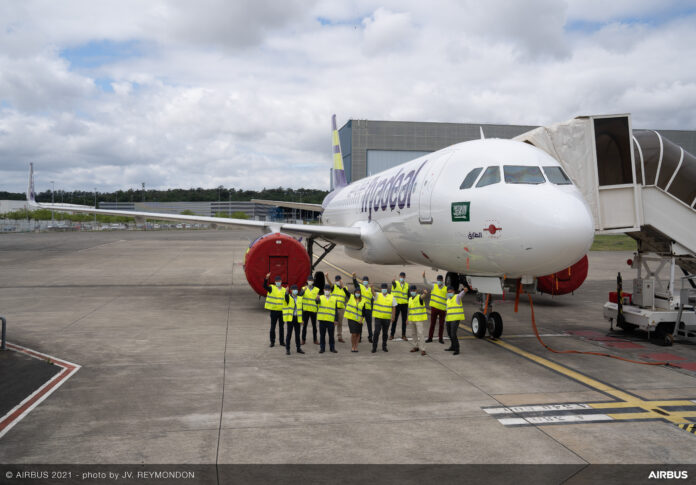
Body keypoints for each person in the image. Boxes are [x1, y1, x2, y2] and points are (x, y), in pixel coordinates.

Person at [423, 271, 447, 344]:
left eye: (440, 280)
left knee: (441, 325)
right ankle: (430, 338)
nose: (439, 281)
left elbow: (449, 299)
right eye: (438, 280)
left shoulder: (446, 289)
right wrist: (424, 277)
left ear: (442, 281)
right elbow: (426, 283)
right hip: (434, 309)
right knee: (432, 324)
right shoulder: (434, 286)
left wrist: (447, 309)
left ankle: (440, 338)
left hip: (442, 309)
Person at [372, 283, 397, 353]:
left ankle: (384, 346)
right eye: (383, 288)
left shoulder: (391, 297)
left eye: (385, 288)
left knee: (385, 333)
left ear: (387, 289)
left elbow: (394, 307)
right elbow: (373, 293)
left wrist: (393, 316)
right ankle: (374, 347)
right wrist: (372, 288)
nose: (384, 289)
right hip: (378, 317)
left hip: (386, 318)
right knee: (376, 332)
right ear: (381, 289)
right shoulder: (377, 295)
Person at [444, 286, 469, 356]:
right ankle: (452, 346)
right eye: (448, 292)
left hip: (455, 319)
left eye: (451, 292)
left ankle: (457, 349)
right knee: (449, 334)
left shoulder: (457, 297)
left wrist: (464, 291)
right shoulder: (448, 300)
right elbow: (447, 310)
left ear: (453, 291)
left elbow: (461, 294)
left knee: (453, 334)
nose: (449, 293)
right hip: (449, 319)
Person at [263, 273, 285, 347]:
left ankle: (281, 342)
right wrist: (266, 278)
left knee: (281, 327)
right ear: (275, 282)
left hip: (282, 312)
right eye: (277, 281)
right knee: (273, 327)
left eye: (279, 281)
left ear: (281, 281)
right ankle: (272, 342)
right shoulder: (272, 288)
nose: (278, 282)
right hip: (274, 312)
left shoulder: (284, 290)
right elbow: (264, 286)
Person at [283, 285, 305, 355]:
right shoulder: (288, 297)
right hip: (290, 318)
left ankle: (298, 348)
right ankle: (287, 349)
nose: (296, 291)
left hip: (297, 318)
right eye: (294, 289)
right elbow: (286, 297)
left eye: (296, 289)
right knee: (289, 335)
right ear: (291, 290)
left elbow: (302, 309)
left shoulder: (299, 298)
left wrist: (302, 319)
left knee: (297, 335)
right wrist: (286, 291)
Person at [316, 284, 338, 353]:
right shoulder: (320, 297)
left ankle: (332, 348)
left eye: (328, 290)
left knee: (331, 336)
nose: (327, 291)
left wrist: (336, 319)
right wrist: (316, 298)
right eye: (326, 290)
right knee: (322, 335)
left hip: (330, 320)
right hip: (322, 320)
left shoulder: (334, 299)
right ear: (323, 290)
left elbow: (335, 310)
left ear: (330, 291)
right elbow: (317, 302)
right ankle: (322, 348)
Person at [352, 272, 373, 343]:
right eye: (364, 280)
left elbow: (373, 299)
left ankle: (370, 337)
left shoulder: (370, 289)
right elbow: (355, 285)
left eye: (366, 281)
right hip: (361, 309)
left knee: (369, 324)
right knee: (360, 324)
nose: (365, 282)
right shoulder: (360, 287)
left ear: (368, 281)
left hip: (368, 309)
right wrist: (354, 278)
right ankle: (359, 337)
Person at [407, 286, 428, 355]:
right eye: (411, 290)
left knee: (421, 334)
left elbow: (422, 297)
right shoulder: (410, 299)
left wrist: (424, 293)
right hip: (412, 319)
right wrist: (407, 319)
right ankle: (415, 346)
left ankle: (423, 349)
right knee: (413, 334)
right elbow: (409, 310)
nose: (412, 291)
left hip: (419, 319)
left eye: (413, 290)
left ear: (416, 291)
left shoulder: (419, 297)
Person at [327, 273, 347, 343]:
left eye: (339, 280)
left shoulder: (345, 288)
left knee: (340, 323)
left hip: (341, 308)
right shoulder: (333, 287)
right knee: (333, 323)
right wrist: (327, 277)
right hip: (334, 309)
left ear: (341, 280)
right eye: (336, 280)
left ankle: (339, 336)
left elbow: (347, 294)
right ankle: (331, 336)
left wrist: (342, 285)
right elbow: (330, 283)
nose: (337, 281)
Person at [389, 271, 409, 340]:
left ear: (405, 277)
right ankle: (392, 335)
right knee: (394, 320)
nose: (402, 278)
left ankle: (404, 335)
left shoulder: (407, 285)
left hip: (404, 304)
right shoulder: (396, 283)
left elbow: (408, 295)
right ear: (399, 277)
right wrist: (393, 281)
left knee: (404, 321)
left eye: (403, 277)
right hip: (397, 304)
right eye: (401, 277)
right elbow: (393, 284)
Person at [301, 275, 320, 345]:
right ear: (307, 281)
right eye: (309, 280)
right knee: (304, 326)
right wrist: (303, 291)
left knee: (314, 326)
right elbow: (300, 296)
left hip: (313, 310)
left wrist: (318, 299)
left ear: (313, 281)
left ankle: (315, 340)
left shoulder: (317, 289)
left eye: (311, 280)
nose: (310, 282)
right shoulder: (303, 288)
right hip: (305, 310)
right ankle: (303, 340)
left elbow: (318, 301)